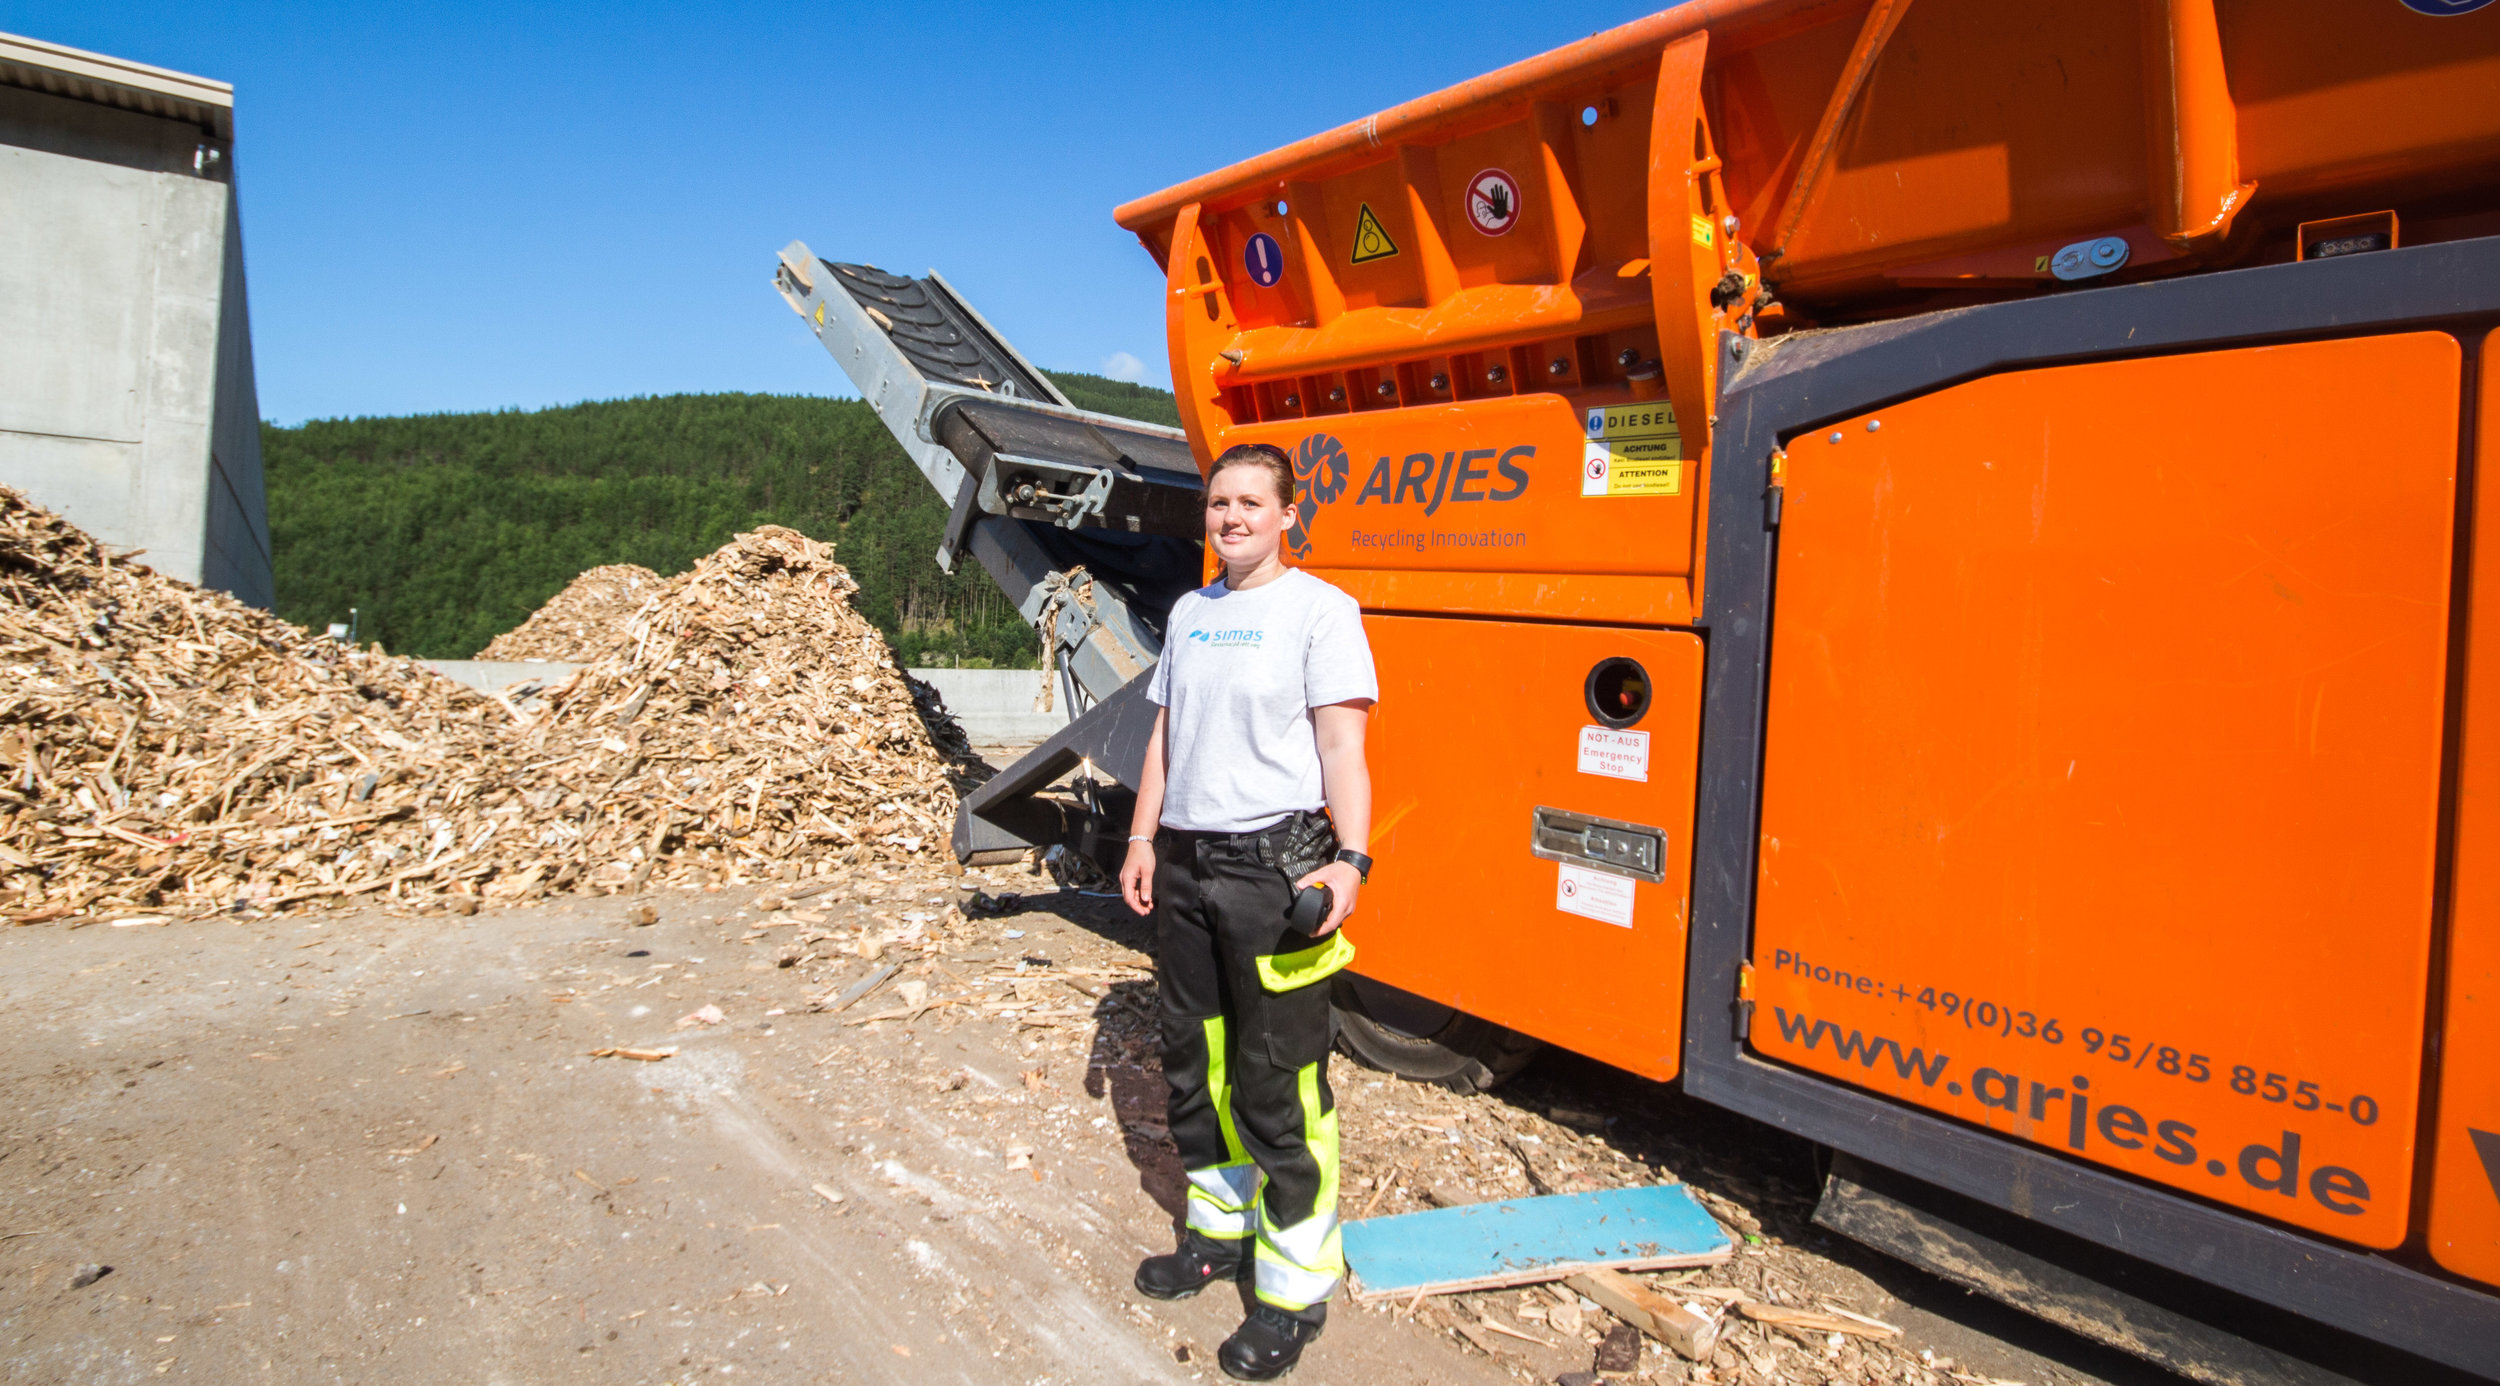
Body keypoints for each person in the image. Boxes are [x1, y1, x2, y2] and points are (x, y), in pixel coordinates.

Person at [1120, 442, 1377, 1381]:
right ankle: (1216, 1236)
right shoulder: (1192, 612)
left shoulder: (1321, 611)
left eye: (1251, 503)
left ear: (1286, 515)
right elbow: (1165, 733)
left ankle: (1294, 1289)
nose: (1231, 517)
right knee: (1196, 1062)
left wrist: (1351, 859)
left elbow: (1342, 748)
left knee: (1280, 1081)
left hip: (1271, 868)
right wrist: (1143, 839)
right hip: (1184, 864)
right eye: (1219, 502)